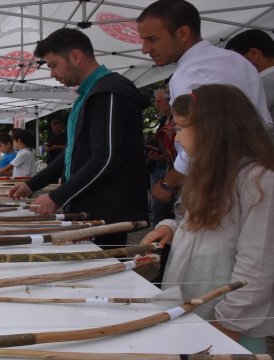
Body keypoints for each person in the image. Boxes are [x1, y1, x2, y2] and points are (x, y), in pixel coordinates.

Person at [141, 84, 274, 353]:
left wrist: (229, 323)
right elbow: (204, 226)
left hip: (230, 327)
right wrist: (172, 228)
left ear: (212, 130)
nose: (176, 138)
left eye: (180, 128)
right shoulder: (210, 173)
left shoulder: (259, 180)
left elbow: (258, 264)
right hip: (195, 309)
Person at [8, 28, 149, 248]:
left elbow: (106, 157)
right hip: (89, 207)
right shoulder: (89, 94)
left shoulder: (107, 92)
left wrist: (57, 197)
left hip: (105, 212)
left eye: (53, 65)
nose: (52, 73)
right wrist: (33, 184)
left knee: (102, 273)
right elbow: (73, 151)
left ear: (75, 57)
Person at [136, 0, 273, 204]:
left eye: (152, 40)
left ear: (183, 33)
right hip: (256, 177)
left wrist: (168, 183)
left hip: (218, 189)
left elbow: (199, 145)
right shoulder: (238, 61)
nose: (145, 49)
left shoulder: (187, 75)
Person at [225, 29, 274, 122]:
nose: (232, 67)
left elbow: (241, 120)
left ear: (254, 53)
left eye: (233, 60)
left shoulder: (264, 83)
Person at [145, 88, 176, 225]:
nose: (156, 104)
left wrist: (164, 157)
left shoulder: (176, 121)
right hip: (163, 168)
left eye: (159, 101)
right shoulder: (165, 119)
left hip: (172, 171)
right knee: (158, 209)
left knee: (162, 209)